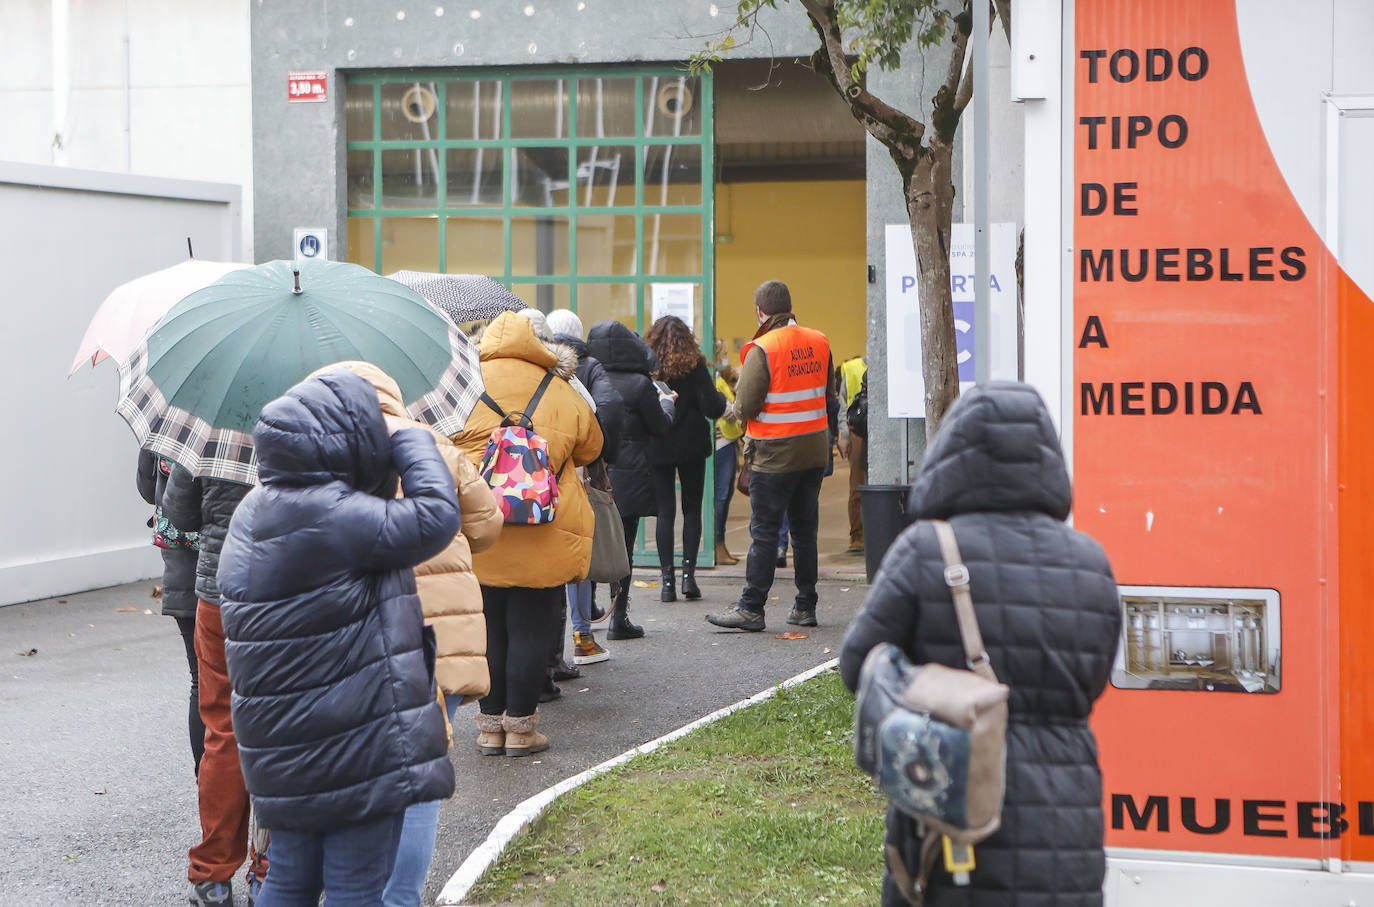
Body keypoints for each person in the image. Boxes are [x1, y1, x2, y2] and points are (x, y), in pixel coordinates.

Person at [838, 382, 1122, 907]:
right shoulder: (1090, 560)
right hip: (1067, 816)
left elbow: (858, 664)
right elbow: (1095, 675)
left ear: (953, 455)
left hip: (952, 806)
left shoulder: (926, 550)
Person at [217, 368, 459, 906]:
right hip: (352, 746)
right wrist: (410, 439)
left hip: (282, 752)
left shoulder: (252, 512)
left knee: (289, 882)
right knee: (355, 890)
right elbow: (437, 517)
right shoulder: (332, 515)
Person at [324, 362, 502, 907]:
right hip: (440, 637)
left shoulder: (328, 452)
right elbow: (488, 523)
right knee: (422, 777)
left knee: (359, 774)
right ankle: (402, 899)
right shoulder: (434, 446)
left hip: (362, 636)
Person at [452, 311, 603, 756]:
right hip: (546, 527)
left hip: (483, 529)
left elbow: (445, 443)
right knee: (532, 626)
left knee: (491, 626)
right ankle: (520, 729)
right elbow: (593, 446)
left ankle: (488, 727)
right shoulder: (560, 386)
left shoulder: (467, 387)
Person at [163, 462, 267, 907]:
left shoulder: (211, 434)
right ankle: (270, 871)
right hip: (286, 594)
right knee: (282, 733)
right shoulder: (312, 420)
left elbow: (179, 514)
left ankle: (212, 877)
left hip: (219, 594)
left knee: (223, 730)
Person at [707, 280, 835, 632]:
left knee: (764, 533)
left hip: (774, 455)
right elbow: (829, 394)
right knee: (805, 531)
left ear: (761, 312)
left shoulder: (761, 349)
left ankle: (751, 608)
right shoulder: (820, 341)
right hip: (813, 453)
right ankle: (805, 606)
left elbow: (746, 406)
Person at [587, 320, 674, 638]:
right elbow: (660, 427)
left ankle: (589, 612)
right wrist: (667, 404)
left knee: (592, 542)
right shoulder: (640, 384)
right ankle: (618, 618)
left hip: (595, 473)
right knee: (623, 547)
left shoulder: (588, 377)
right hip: (633, 472)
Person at [548, 308, 622, 667]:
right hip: (569, 480)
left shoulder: (520, 373)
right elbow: (600, 411)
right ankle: (582, 637)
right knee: (575, 559)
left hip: (522, 484)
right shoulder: (578, 375)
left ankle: (548, 656)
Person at [644, 315, 727, 601]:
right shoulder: (695, 366)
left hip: (659, 442)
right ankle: (688, 578)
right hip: (691, 444)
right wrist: (719, 397)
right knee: (692, 510)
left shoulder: (649, 369)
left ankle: (667, 582)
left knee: (665, 511)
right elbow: (713, 408)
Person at [135, 451, 203, 774]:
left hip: (182, 573)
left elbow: (148, 489)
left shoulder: (171, 422)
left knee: (201, 683)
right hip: (232, 570)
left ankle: (208, 790)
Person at [712, 356, 744, 566]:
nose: (726, 361)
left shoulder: (720, 381)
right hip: (721, 445)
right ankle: (717, 545)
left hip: (727, 442)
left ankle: (720, 544)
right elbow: (730, 412)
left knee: (724, 496)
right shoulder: (715, 382)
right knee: (721, 497)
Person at [840, 355, 868, 553]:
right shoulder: (850, 368)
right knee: (857, 486)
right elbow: (841, 403)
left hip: (883, 428)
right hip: (858, 430)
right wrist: (843, 434)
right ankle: (857, 536)